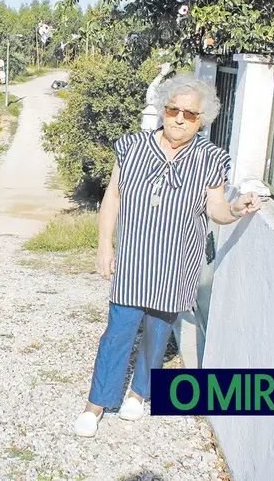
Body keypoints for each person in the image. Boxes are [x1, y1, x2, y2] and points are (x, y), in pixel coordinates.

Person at [74, 73, 262, 438]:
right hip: (133, 258)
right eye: (173, 109)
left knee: (157, 333)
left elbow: (216, 210)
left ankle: (139, 392)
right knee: (117, 332)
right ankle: (95, 404)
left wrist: (237, 209)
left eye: (189, 114)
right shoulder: (130, 146)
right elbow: (112, 197)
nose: (179, 118)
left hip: (177, 263)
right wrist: (104, 245)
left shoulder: (211, 158)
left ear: (201, 120)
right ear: (162, 110)